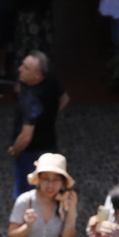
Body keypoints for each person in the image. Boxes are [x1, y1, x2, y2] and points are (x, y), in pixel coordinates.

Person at [6, 52, 69, 199]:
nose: (20, 69)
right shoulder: (51, 81)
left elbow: (26, 137)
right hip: (50, 146)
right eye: (22, 65)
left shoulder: (31, 99)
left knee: (26, 195)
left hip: (30, 154)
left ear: (38, 75)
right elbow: (65, 99)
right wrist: (49, 116)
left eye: (26, 68)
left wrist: (14, 150)